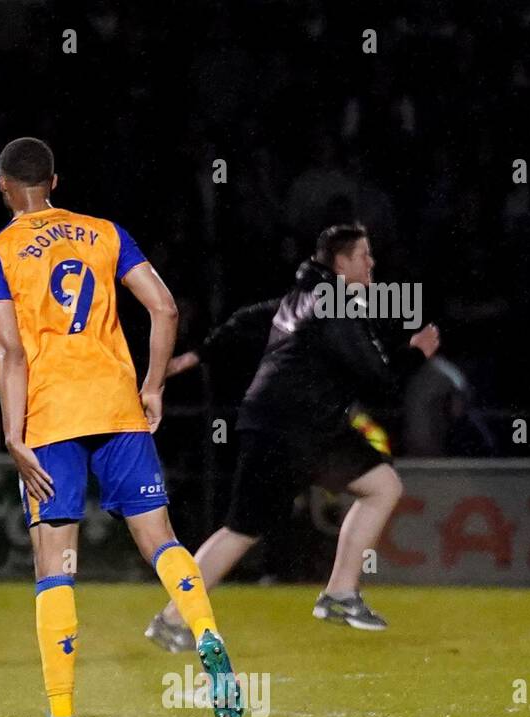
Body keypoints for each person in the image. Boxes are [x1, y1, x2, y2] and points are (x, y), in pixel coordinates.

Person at [0, 137, 244, 717]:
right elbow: (165, 307)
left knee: (55, 566)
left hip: (50, 417)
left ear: (3, 186)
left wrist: (13, 434)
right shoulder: (104, 233)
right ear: (55, 181)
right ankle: (203, 631)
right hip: (117, 406)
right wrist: (151, 387)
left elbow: (10, 351)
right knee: (163, 540)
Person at [147, 224, 440, 651]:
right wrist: (414, 353)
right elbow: (378, 378)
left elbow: (249, 320)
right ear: (341, 262)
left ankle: (174, 619)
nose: (371, 263)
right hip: (298, 427)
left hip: (280, 423)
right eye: (364, 255)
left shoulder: (302, 299)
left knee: (244, 528)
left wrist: (199, 353)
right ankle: (337, 595)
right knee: (376, 488)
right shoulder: (335, 303)